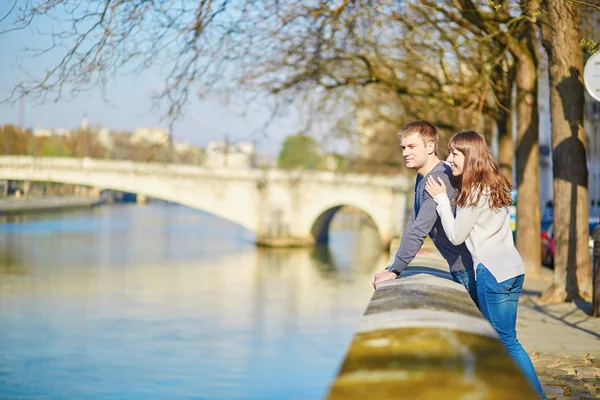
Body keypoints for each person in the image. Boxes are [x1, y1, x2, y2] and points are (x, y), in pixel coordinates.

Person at [425, 130, 546, 399]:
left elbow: (456, 235)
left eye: (455, 153)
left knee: (505, 342)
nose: (450, 158)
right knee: (507, 339)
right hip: (513, 270)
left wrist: (442, 201)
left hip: (492, 271)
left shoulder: (474, 192)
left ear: (470, 156)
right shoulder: (493, 184)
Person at [372, 120, 477, 307]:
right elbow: (414, 222)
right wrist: (396, 264)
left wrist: (395, 270)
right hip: (460, 268)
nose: (405, 153)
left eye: (412, 146)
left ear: (430, 147)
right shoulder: (423, 176)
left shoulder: (439, 177)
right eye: (403, 147)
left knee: (493, 334)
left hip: (468, 270)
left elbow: (419, 229)